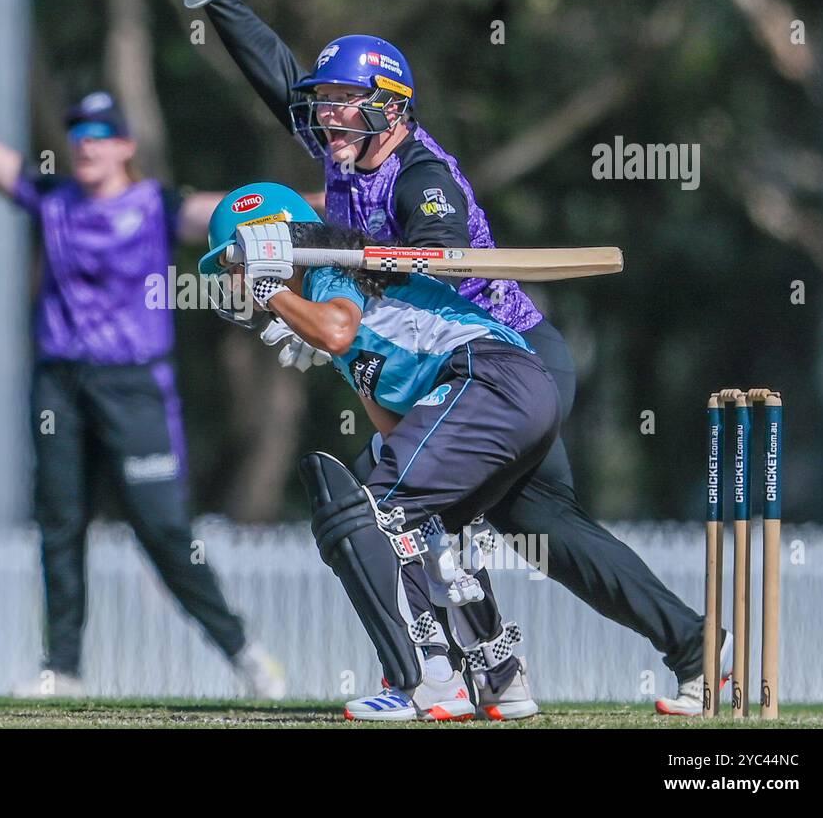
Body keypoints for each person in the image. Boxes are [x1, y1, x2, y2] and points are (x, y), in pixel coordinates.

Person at [162, 0, 725, 714]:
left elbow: (437, 244)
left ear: (391, 108)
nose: (328, 121)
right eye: (326, 110)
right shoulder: (344, 145)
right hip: (443, 371)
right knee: (548, 535)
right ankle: (678, 648)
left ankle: (449, 678)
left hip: (509, 358)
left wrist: (322, 278)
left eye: (345, 107)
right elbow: (279, 79)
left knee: (401, 506)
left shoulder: (421, 175)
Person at [0, 38, 286, 699]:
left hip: (135, 385)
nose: (87, 144)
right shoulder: (53, 201)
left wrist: (343, 200)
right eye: (78, 133)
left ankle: (246, 654)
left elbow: (235, 213)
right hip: (61, 385)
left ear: (125, 146)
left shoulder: (156, 207)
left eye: (102, 134)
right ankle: (64, 669)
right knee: (61, 522)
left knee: (163, 530)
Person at [202, 182, 559, 721]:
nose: (238, 282)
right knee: (411, 502)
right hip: (508, 390)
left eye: (238, 264)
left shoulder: (328, 272)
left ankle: (425, 681)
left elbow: (340, 330)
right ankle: (499, 675)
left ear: (272, 245)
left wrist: (277, 292)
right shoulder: (330, 298)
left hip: (489, 378)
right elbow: (394, 426)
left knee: (368, 511)